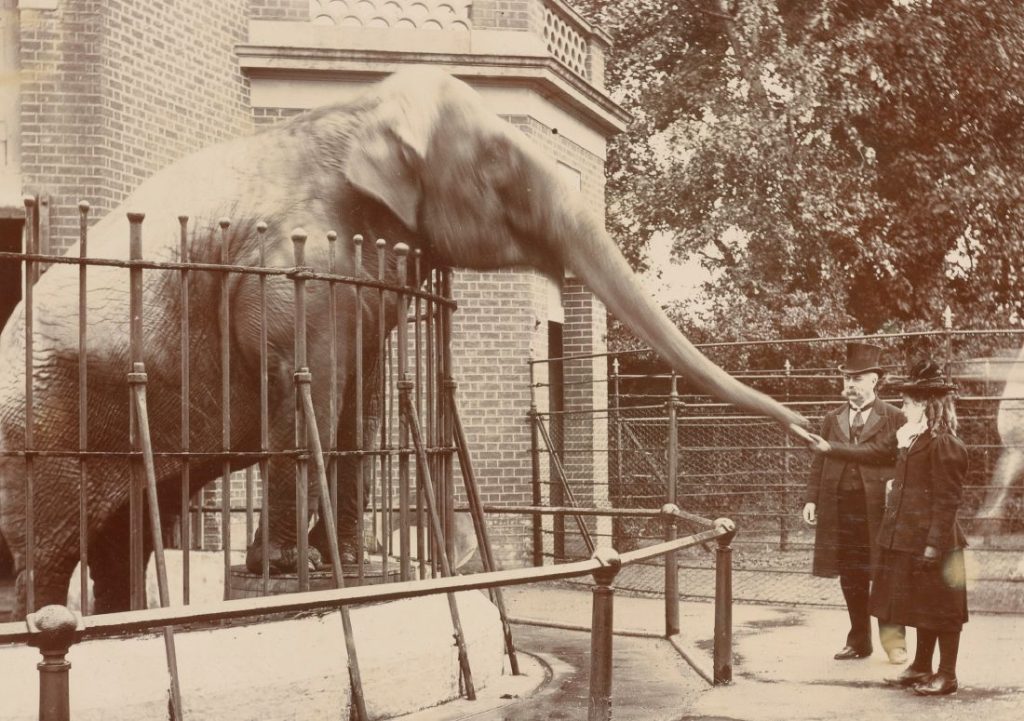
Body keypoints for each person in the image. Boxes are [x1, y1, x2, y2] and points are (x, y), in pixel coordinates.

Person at [807, 358, 969, 696]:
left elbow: (947, 501)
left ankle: (947, 675)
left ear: (926, 404)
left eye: (910, 401)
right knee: (922, 606)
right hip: (910, 537)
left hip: (935, 541)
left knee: (943, 609)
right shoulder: (913, 438)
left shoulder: (944, 444)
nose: (904, 406)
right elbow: (889, 468)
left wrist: (933, 543)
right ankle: (921, 668)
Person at [803, 341, 907, 663]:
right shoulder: (832, 418)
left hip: (879, 510)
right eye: (846, 378)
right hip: (841, 509)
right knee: (851, 574)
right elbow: (818, 463)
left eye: (857, 378)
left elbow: (880, 452)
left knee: (884, 573)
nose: (849, 385)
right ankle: (859, 641)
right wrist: (811, 499)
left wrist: (831, 449)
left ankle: (894, 643)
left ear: (874, 380)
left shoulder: (894, 417)